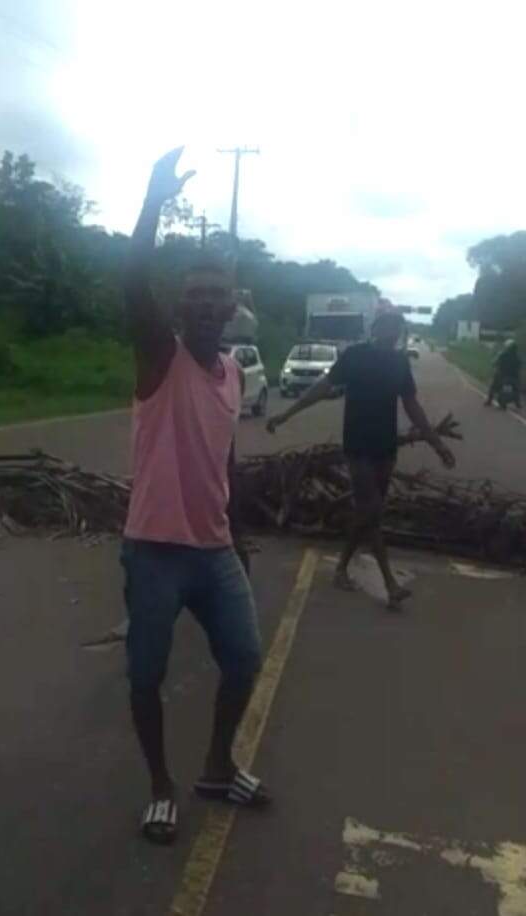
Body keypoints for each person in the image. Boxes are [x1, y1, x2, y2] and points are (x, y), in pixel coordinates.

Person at [122, 148, 269, 845]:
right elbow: (130, 282)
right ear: (182, 306)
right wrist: (153, 201)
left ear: (234, 304)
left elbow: (224, 456)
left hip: (213, 551)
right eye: (197, 293)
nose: (209, 302)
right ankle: (160, 786)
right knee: (146, 674)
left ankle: (216, 767)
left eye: (221, 293)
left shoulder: (236, 374)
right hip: (154, 550)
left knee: (244, 659)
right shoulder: (161, 355)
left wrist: (237, 530)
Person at [267, 311, 456, 608]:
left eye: (396, 326)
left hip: (385, 446)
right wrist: (287, 413)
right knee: (372, 510)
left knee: (368, 514)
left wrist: (437, 444)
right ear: (375, 328)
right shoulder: (355, 356)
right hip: (358, 446)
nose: (391, 330)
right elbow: (322, 387)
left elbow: (412, 406)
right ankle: (390, 584)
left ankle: (341, 568)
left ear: (399, 331)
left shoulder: (399, 363)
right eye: (386, 324)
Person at [485, 339, 522, 408]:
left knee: (493, 386)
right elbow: (520, 367)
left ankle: (489, 400)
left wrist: (494, 365)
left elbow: (494, 362)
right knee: (517, 388)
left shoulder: (502, 354)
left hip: (503, 376)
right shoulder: (517, 356)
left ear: (507, 347)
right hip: (514, 377)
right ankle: (517, 402)